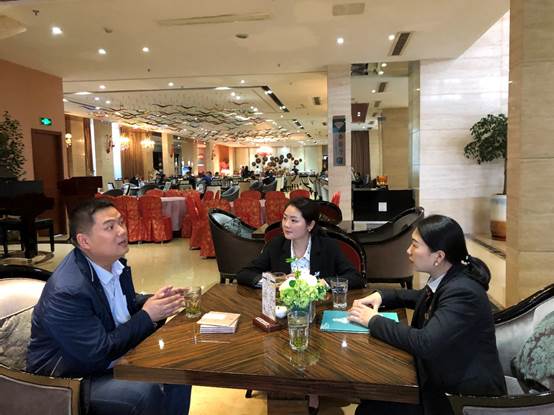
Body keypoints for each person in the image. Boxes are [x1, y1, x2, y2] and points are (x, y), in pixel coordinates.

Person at [27, 199, 192, 415]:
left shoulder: (113, 264)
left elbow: (121, 305)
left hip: (100, 359)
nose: (122, 231)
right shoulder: (68, 290)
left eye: (121, 222)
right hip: (67, 378)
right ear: (84, 241)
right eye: (110, 227)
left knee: (179, 368)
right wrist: (148, 315)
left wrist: (158, 301)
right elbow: (98, 352)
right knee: (143, 391)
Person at [348, 215, 506, 415]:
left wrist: (372, 320)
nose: (408, 251)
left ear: (438, 256)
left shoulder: (462, 292)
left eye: (415, 245)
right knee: (372, 398)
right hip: (439, 377)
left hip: (459, 397)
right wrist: (382, 295)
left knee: (371, 409)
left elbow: (425, 342)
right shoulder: (450, 277)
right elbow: (418, 297)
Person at [236, 197, 364, 289]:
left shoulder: (328, 246)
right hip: (283, 310)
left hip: (320, 309)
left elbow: (355, 278)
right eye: (284, 218)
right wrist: (275, 281)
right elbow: (244, 274)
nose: (286, 225)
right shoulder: (276, 245)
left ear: (310, 225)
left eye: (294, 220)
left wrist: (321, 283)